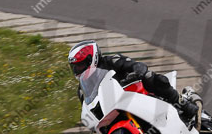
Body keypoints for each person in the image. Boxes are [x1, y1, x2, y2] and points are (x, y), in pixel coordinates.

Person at [68, 39, 202, 127]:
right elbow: (88, 107)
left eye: (80, 65)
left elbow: (134, 64)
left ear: (92, 58)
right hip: (113, 109)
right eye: (75, 67)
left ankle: (183, 104)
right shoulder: (82, 89)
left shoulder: (111, 61)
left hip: (133, 91)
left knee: (151, 77)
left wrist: (137, 71)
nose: (78, 69)